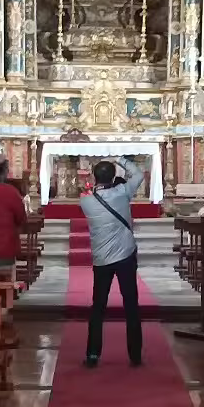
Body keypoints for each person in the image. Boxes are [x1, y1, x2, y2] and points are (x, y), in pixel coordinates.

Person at [79, 156, 145, 368]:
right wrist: (119, 158)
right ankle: (135, 354)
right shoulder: (123, 192)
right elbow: (139, 174)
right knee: (131, 305)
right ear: (114, 176)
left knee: (98, 306)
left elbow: (93, 192)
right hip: (125, 255)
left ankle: (92, 353)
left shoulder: (86, 200)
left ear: (94, 177)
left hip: (101, 259)